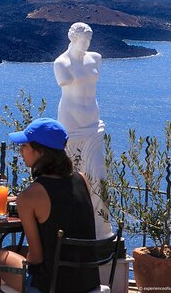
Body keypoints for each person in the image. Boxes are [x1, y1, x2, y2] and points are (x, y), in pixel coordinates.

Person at [0, 118, 100, 293]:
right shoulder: (82, 179)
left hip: (52, 284)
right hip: (87, 279)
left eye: (24, 146)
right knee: (11, 250)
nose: (20, 150)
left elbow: (36, 257)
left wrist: (21, 200)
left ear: (40, 152)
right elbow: (62, 204)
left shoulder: (30, 196)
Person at [54, 22, 112, 238]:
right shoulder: (62, 63)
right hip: (72, 125)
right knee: (73, 178)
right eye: (83, 39)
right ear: (72, 38)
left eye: (89, 39)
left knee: (98, 175)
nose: (87, 44)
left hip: (93, 125)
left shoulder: (95, 58)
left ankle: (101, 228)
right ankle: (74, 228)